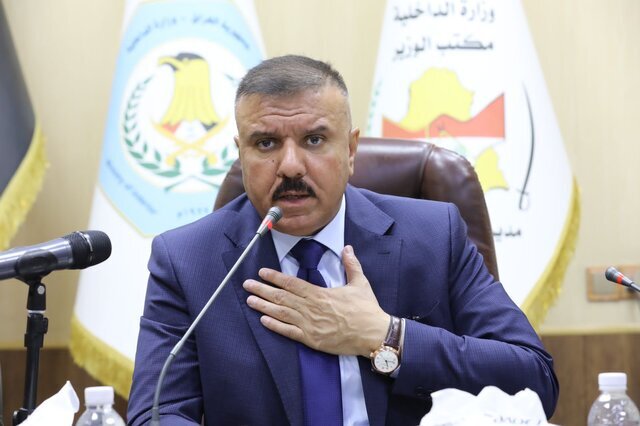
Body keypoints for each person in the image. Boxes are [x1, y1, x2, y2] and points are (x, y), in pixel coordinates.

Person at [127, 55, 558, 425]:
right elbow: (157, 412)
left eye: (314, 140)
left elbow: (535, 379)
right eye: (266, 143)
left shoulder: (433, 236)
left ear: (350, 151)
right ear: (242, 152)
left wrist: (387, 336)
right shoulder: (186, 260)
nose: (290, 166)